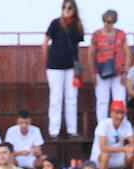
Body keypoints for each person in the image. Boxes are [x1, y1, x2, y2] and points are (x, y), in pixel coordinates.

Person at [43, 0, 83, 138]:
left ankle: (72, 130)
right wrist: (46, 59)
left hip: (71, 66)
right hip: (55, 66)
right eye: (64, 7)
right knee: (56, 97)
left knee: (72, 97)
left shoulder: (77, 25)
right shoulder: (55, 23)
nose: (66, 10)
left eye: (69, 7)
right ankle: (54, 131)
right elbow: (45, 42)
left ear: (74, 9)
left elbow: (77, 45)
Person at [90, 99, 134, 169]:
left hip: (118, 158)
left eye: (122, 113)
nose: (120, 116)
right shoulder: (103, 124)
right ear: (111, 113)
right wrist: (123, 149)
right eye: (117, 113)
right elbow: (103, 148)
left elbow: (132, 140)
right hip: (100, 159)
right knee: (105, 155)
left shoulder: (126, 124)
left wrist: (133, 147)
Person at [86, 9, 127, 130]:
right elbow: (91, 54)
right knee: (102, 102)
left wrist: (125, 72)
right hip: (101, 72)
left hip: (118, 72)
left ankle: (121, 127)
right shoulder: (97, 34)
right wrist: (93, 74)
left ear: (114, 22)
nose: (107, 24)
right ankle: (102, 129)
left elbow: (127, 53)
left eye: (109, 21)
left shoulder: (121, 34)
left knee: (120, 101)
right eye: (105, 21)